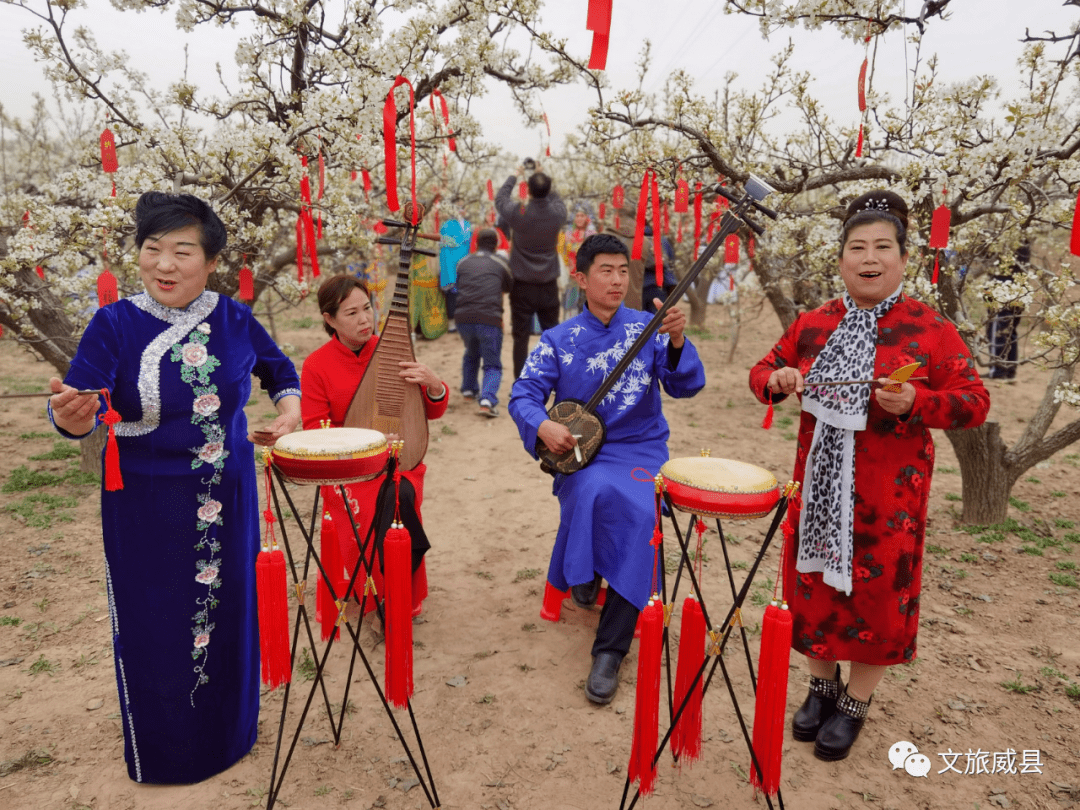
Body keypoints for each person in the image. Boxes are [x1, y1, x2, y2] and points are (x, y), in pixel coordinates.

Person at [47, 191, 302, 784]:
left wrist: (288, 411)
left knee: (227, 613)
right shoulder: (114, 323)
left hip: (227, 499)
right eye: (152, 249)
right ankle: (170, 753)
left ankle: (231, 734)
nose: (163, 264)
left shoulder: (236, 317)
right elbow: (72, 410)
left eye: (182, 251)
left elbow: (280, 371)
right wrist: (74, 415)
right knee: (156, 624)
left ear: (211, 261)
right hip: (146, 505)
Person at [749, 190, 990, 762]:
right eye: (857, 247)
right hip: (817, 488)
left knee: (877, 594)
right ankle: (820, 684)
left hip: (889, 496)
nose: (869, 258)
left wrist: (916, 402)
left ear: (903, 259)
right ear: (841, 261)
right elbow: (760, 373)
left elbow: (974, 401)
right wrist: (779, 379)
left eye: (883, 246)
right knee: (813, 583)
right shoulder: (814, 324)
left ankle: (855, 701)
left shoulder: (929, 328)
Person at [508, 234, 706, 705]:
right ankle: (587, 573)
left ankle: (610, 650)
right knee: (593, 489)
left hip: (641, 449)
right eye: (605, 271)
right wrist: (542, 427)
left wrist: (677, 340)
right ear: (580, 278)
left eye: (623, 271)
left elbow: (684, 385)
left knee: (641, 515)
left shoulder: (649, 325)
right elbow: (524, 394)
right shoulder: (556, 339)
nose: (617, 280)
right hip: (584, 452)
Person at [300, 275, 448, 617]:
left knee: (399, 495)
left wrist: (434, 385)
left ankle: (396, 595)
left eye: (367, 308)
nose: (365, 319)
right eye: (351, 313)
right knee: (384, 501)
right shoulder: (317, 366)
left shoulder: (391, 350)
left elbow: (429, 413)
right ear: (329, 319)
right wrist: (369, 444)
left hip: (398, 466)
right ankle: (385, 597)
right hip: (347, 470)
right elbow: (314, 431)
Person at [495, 165, 567, 377]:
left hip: (522, 285)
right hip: (548, 285)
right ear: (548, 189)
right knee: (552, 335)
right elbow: (557, 200)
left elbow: (500, 200)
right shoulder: (557, 214)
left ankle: (521, 381)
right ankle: (556, 379)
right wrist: (543, 174)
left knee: (520, 337)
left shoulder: (519, 213)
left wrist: (514, 175)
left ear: (529, 189)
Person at [455, 228, 514, 417]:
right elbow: (509, 286)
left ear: (476, 242)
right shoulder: (501, 262)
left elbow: (459, 285)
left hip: (463, 317)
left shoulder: (462, 263)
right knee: (492, 363)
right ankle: (487, 400)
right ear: (496, 244)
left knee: (470, 352)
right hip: (489, 317)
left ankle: (468, 390)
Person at [985, 243, 1029, 381]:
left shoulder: (1004, 231)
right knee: (1010, 329)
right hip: (1019, 284)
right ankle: (1009, 371)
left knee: (998, 327)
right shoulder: (1024, 234)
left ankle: (997, 370)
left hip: (1003, 284)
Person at [438, 199, 471, 333]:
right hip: (451, 264)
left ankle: (464, 321)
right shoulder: (447, 225)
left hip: (466, 263)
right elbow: (444, 247)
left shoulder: (469, 225)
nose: (460, 210)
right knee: (452, 295)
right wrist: (447, 268)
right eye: (458, 207)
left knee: (466, 294)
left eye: (462, 207)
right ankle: (451, 322)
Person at [560, 205, 596, 318]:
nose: (579, 218)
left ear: (587, 218)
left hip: (587, 274)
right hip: (572, 275)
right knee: (570, 303)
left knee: (586, 304)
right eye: (577, 216)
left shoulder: (591, 234)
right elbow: (563, 253)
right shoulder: (568, 234)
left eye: (582, 215)